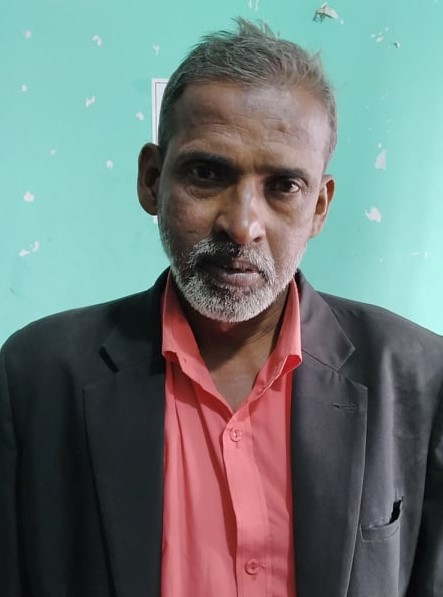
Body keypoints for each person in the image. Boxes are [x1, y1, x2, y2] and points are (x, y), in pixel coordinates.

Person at [1, 18, 442, 597]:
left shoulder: (417, 378)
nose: (242, 225)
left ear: (319, 206)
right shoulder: (37, 376)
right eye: (207, 174)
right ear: (152, 180)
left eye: (284, 186)